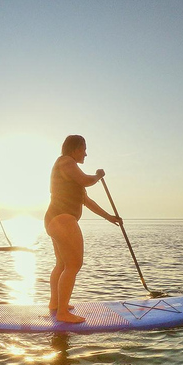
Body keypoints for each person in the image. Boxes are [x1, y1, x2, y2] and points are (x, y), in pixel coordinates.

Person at [44, 135, 121, 323]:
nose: (86, 153)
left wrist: (109, 217)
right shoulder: (66, 161)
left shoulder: (70, 172)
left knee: (62, 264)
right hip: (63, 219)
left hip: (54, 219)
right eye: (84, 148)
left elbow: (86, 201)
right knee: (74, 264)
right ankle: (62, 312)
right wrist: (98, 176)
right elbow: (87, 180)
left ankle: (56, 304)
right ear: (75, 148)